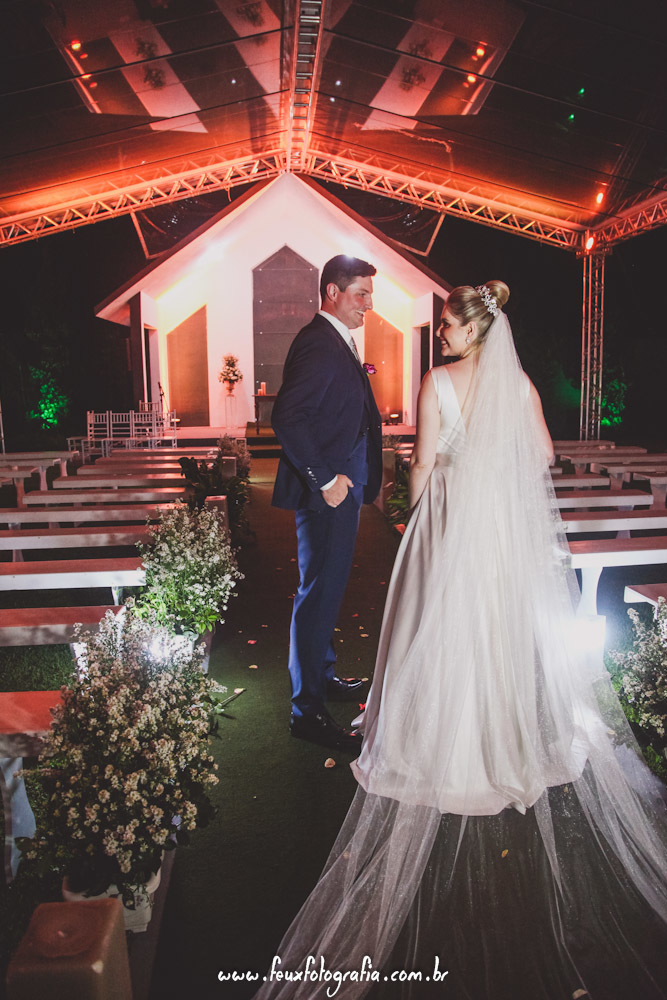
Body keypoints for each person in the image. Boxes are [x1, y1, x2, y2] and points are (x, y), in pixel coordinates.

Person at [255, 281, 667, 999]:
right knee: (493, 633)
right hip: (498, 535)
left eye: (447, 325)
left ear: (472, 331)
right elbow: (541, 455)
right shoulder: (518, 383)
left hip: (446, 523)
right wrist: (492, 477)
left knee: (436, 629)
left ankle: (438, 741)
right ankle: (503, 743)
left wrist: (419, 518)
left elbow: (420, 462)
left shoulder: (437, 382)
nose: (440, 333)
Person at [271, 255, 382, 752]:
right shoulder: (319, 341)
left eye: (370, 295)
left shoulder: (336, 340)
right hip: (328, 495)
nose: (368, 304)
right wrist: (325, 480)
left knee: (326, 591)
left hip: (342, 490)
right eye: (361, 294)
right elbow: (288, 417)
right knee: (317, 595)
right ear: (333, 292)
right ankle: (307, 711)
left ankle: (324, 676)